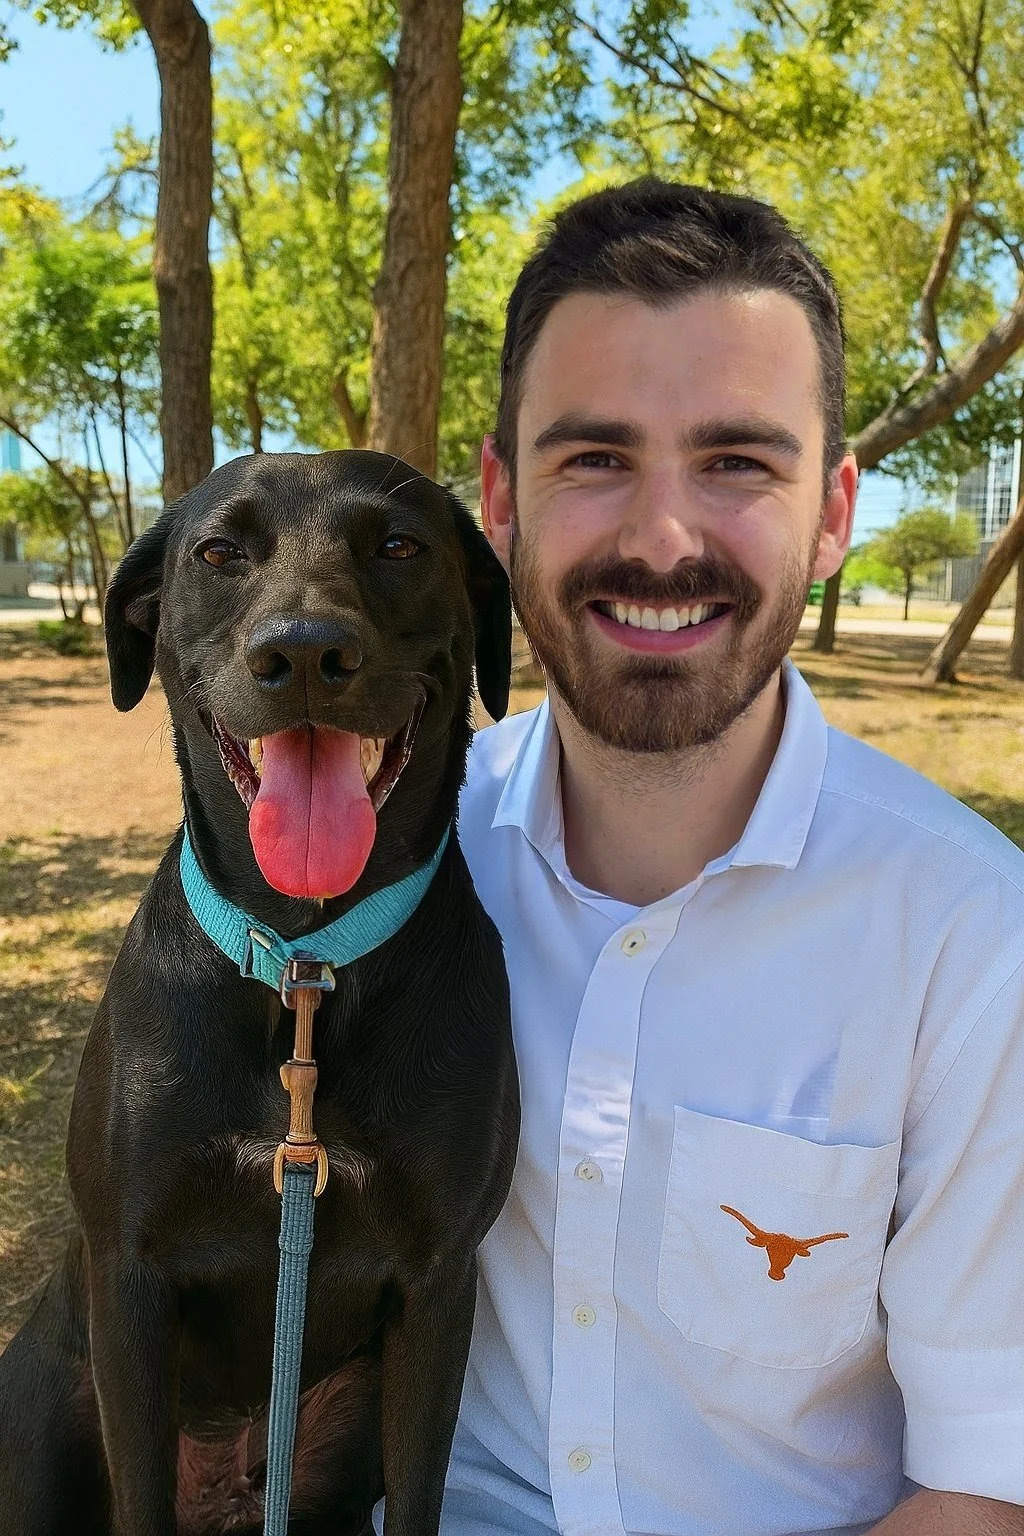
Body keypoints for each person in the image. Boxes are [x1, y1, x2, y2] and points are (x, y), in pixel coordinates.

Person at [426, 178, 1024, 1535]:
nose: (661, 539)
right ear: (502, 496)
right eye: (595, 460)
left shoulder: (972, 946)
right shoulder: (403, 863)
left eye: (738, 464)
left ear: (834, 514)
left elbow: (988, 1486)